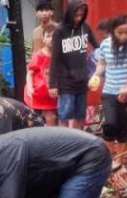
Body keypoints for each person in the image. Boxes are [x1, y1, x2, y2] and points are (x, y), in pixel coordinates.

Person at [91, 14, 127, 169]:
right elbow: (101, 64)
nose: (124, 35)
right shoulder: (105, 45)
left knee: (123, 127)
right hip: (109, 91)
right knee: (110, 124)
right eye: (120, 32)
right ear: (113, 31)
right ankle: (107, 159)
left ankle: (119, 161)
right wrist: (95, 75)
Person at [48, 0, 99, 129]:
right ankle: (64, 144)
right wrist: (52, 84)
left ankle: (78, 143)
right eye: (76, 15)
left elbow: (98, 47)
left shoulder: (85, 27)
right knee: (64, 116)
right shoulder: (60, 31)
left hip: (82, 79)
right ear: (69, 13)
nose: (78, 18)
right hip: (66, 81)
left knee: (80, 116)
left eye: (81, 15)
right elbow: (54, 58)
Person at [25, 24, 58, 126]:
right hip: (39, 93)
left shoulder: (60, 55)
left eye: (54, 36)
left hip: (53, 94)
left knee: (52, 117)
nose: (52, 39)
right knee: (37, 118)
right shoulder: (39, 55)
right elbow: (30, 73)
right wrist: (30, 87)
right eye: (48, 36)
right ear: (43, 39)